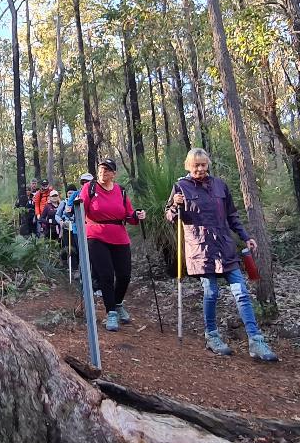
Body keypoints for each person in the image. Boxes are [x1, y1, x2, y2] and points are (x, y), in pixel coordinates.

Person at [165, 147, 278, 362]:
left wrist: (245, 236)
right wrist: (174, 208)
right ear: (188, 166)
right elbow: (170, 216)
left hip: (225, 247)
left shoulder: (219, 185)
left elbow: (232, 215)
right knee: (211, 293)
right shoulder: (181, 187)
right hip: (201, 249)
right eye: (196, 165)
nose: (200, 168)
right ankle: (212, 335)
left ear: (208, 164)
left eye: (203, 164)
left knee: (241, 292)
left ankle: (256, 340)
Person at [79, 158, 146, 332]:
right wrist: (73, 209)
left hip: (119, 236)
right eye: (101, 169)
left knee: (124, 275)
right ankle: (111, 313)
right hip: (96, 235)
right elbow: (80, 209)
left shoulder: (121, 191)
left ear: (114, 174)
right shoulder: (90, 188)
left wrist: (137, 215)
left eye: (107, 170)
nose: (103, 172)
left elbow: (129, 216)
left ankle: (117, 303)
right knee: (106, 275)